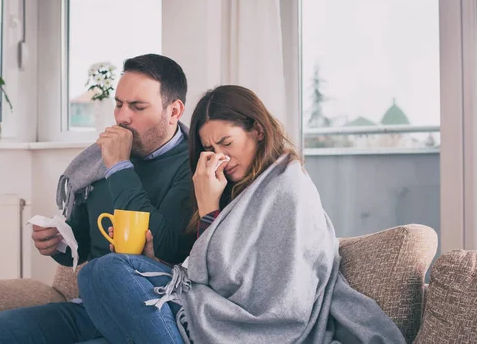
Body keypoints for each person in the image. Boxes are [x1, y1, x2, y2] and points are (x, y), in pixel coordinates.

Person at [77, 85, 407, 344]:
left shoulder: (288, 187)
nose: (219, 158)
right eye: (209, 149)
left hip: (253, 327)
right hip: (212, 312)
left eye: (227, 143)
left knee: (110, 270)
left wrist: (208, 209)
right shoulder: (239, 187)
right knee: (92, 273)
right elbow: (208, 276)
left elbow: (246, 291)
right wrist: (158, 262)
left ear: (258, 130)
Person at [0, 54, 195, 344]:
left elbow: (166, 247)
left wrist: (119, 167)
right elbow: (84, 245)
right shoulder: (98, 161)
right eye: (118, 104)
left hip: (147, 313)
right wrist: (59, 243)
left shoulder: (191, 166)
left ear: (174, 111)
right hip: (90, 308)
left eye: (138, 107)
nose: (122, 117)